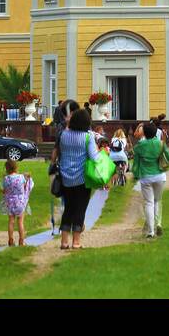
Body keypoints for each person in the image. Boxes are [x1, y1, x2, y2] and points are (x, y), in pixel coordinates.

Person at [56, 106, 98, 250]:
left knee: (68, 208)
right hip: (82, 178)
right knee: (80, 209)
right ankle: (76, 242)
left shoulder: (63, 135)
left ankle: (64, 241)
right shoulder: (88, 137)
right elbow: (94, 157)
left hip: (66, 177)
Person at [132, 120, 169, 238]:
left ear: (144, 133)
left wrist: (135, 175)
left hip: (146, 177)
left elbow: (135, 166)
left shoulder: (139, 146)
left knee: (149, 203)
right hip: (160, 176)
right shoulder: (161, 144)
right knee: (157, 201)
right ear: (156, 132)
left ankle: (151, 231)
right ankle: (158, 224)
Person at [0, 158, 33, 246]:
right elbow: (25, 187)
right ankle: (21, 241)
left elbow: (4, 190)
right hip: (20, 203)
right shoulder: (21, 177)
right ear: (16, 167)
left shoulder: (6, 179)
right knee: (20, 221)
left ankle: (10, 240)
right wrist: (28, 178)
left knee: (11, 221)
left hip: (10, 202)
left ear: (6, 169)